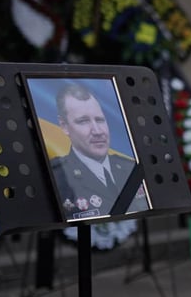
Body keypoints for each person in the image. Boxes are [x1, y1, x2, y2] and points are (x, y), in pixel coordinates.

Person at [50, 82, 142, 220]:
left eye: (100, 120)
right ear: (64, 126)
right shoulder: (56, 177)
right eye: (83, 121)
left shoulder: (132, 168)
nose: (98, 131)